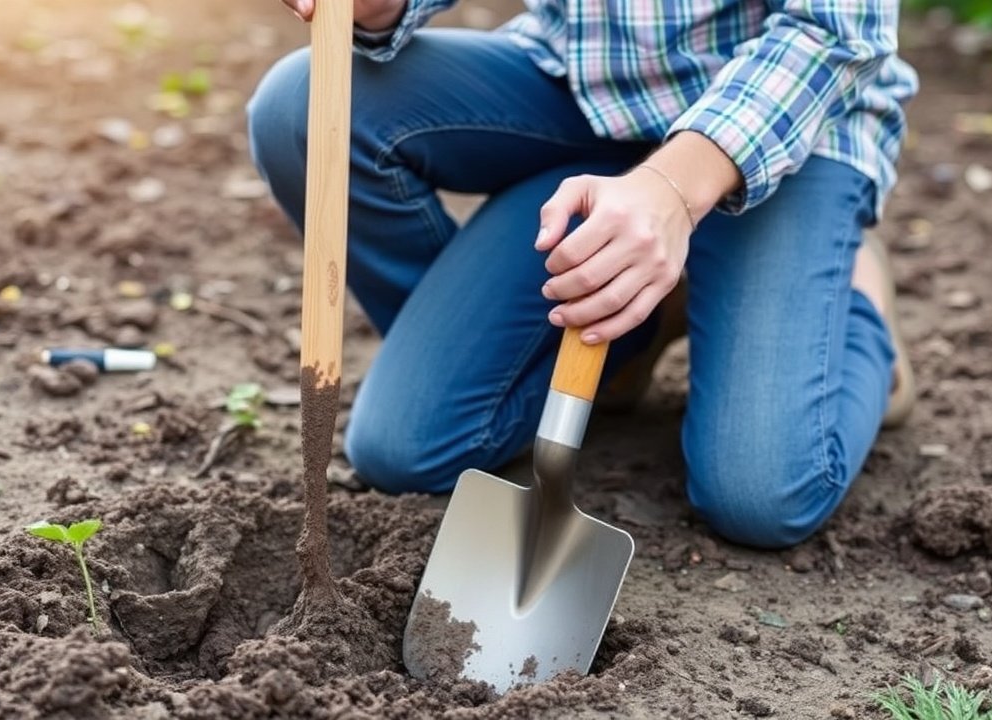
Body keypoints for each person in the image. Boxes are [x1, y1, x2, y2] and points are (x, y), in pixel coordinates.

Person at [247, 0, 919, 549]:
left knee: (761, 494)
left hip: (787, 127)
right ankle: (630, 317)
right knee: (405, 449)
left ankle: (856, 302)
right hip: (581, 90)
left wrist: (671, 190)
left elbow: (834, 32)